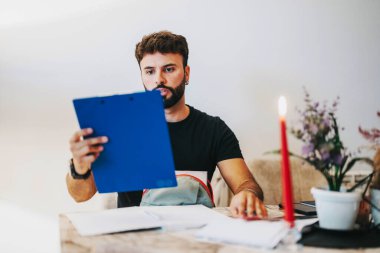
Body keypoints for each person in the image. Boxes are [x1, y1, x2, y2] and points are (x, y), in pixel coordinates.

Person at [66, 31, 267, 219]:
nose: (159, 79)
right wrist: (80, 168)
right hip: (135, 239)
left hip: (196, 236)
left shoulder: (213, 129)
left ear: (186, 74)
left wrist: (247, 193)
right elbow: (80, 196)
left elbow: (245, 183)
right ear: (142, 76)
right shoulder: (121, 127)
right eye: (150, 71)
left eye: (169, 69)